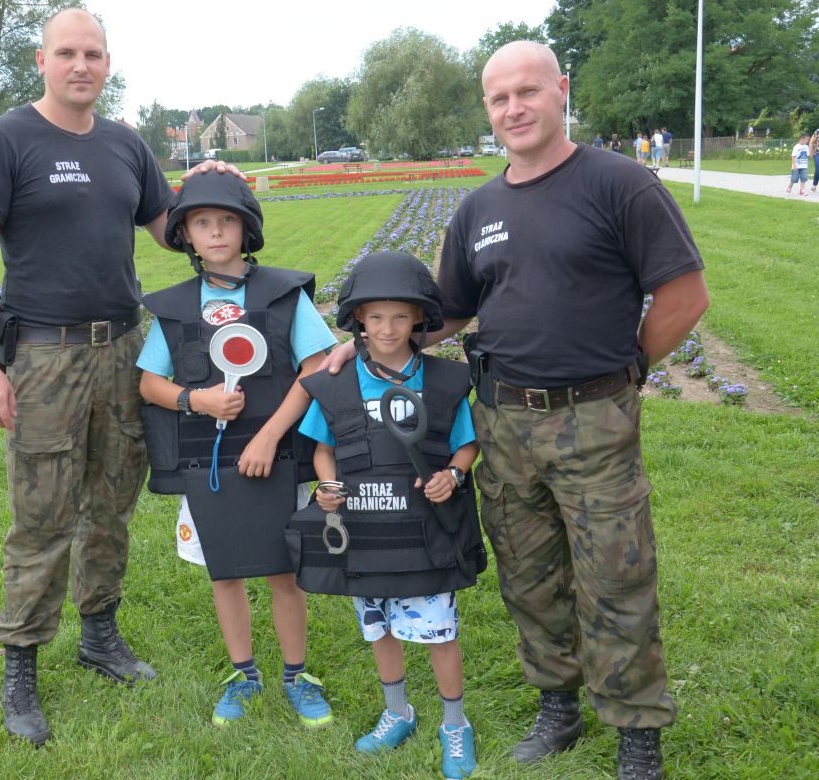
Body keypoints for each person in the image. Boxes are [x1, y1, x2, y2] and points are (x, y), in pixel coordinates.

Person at [322, 40, 709, 779]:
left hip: (594, 420)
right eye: (499, 98)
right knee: (528, 575)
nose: (514, 108)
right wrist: (363, 346)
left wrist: (630, 368)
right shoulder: (479, 208)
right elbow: (447, 313)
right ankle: (557, 705)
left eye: (528, 91)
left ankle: (636, 731)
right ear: (488, 108)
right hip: (500, 419)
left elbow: (685, 296)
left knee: (616, 575)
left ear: (561, 89)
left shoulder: (620, 184)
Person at [0, 7, 179, 746]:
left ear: (108, 64)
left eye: (94, 54)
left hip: (124, 350)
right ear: (42, 61)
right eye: (68, 53)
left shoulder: (125, 145)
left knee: (111, 503)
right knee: (42, 514)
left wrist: (216, 193)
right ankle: (21, 661)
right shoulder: (7, 140)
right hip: (44, 357)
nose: (82, 65)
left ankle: (99, 635)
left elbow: (171, 229)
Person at [137, 170, 336, 729]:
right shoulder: (176, 308)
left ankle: (296, 675)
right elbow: (148, 383)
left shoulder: (283, 296)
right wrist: (195, 400)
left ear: (247, 230)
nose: (217, 231)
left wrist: (270, 435)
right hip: (209, 466)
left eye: (227, 221)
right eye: (202, 222)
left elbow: (315, 368)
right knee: (224, 572)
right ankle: (243, 673)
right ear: (185, 235)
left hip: (279, 459)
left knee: (282, 571)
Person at [293, 252, 486, 777]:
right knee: (380, 630)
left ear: (420, 319)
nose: (387, 328)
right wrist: (327, 485)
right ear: (357, 319)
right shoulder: (337, 382)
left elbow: (467, 443)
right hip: (365, 537)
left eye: (400, 317)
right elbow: (323, 448)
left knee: (440, 633)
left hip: (426, 538)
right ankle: (397, 712)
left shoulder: (445, 382)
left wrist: (454, 475)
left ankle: (455, 723)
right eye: (375, 317)